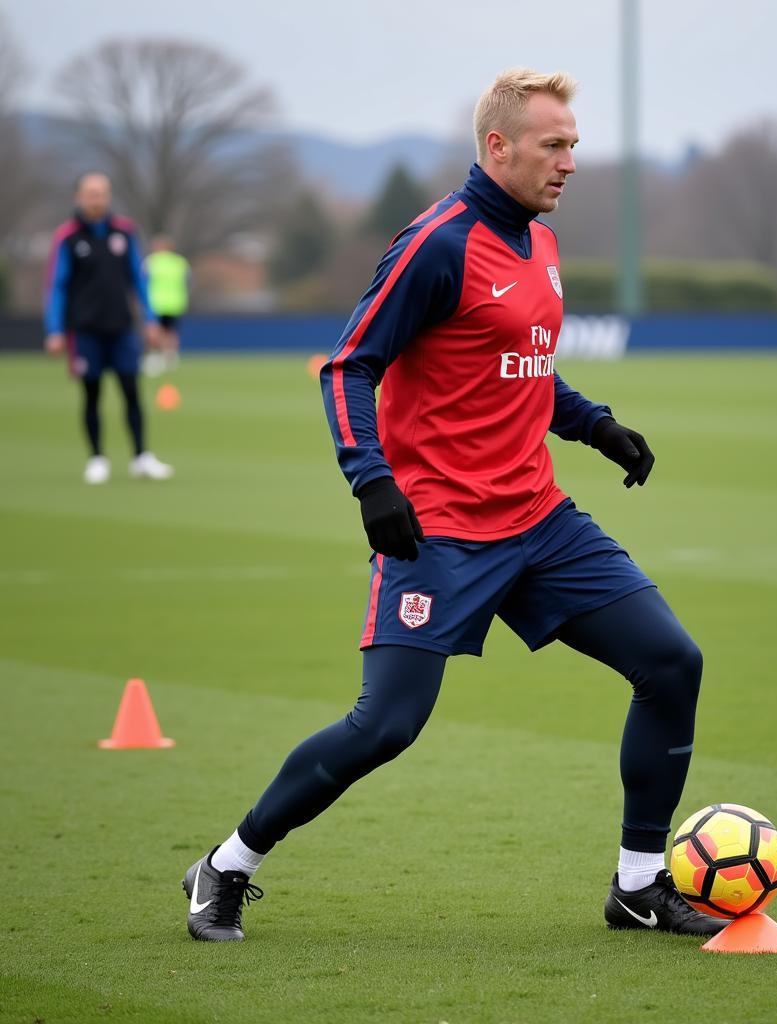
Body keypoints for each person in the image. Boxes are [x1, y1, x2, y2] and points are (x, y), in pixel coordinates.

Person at [182, 68, 724, 942]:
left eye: (575, 145)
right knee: (386, 726)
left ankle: (638, 886)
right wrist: (372, 481)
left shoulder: (539, 243)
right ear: (497, 147)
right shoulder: (437, 242)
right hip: (440, 531)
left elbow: (517, 367)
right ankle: (226, 865)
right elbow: (349, 364)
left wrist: (595, 426)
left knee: (671, 662)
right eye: (555, 145)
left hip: (540, 521)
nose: (570, 163)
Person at [44, 172, 173, 483]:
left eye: (101, 192)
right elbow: (57, 286)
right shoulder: (68, 237)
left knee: (132, 391)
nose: (96, 198)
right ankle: (97, 458)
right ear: (79, 197)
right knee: (92, 393)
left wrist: (151, 319)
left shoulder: (124, 232)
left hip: (121, 328)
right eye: (91, 193)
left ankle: (141, 456)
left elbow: (138, 280)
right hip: (85, 330)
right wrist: (55, 329)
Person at [143, 234, 189, 375]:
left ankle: (156, 358)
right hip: (175, 303)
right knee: (170, 332)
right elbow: (189, 281)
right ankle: (170, 358)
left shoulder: (151, 262)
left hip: (156, 303)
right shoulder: (180, 262)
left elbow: (141, 281)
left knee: (156, 331)